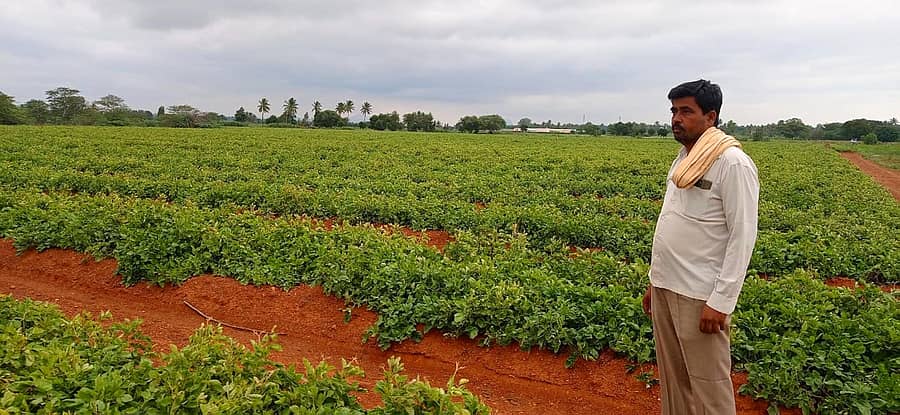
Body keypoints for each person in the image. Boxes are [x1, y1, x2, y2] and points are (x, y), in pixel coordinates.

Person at [642, 79, 759, 414]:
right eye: (674, 111)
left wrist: (721, 301)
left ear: (711, 117)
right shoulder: (685, 158)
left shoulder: (732, 163)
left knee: (709, 387)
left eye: (686, 111)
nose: (676, 119)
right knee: (674, 380)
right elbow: (673, 220)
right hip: (666, 285)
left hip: (699, 294)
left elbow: (742, 236)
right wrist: (654, 281)